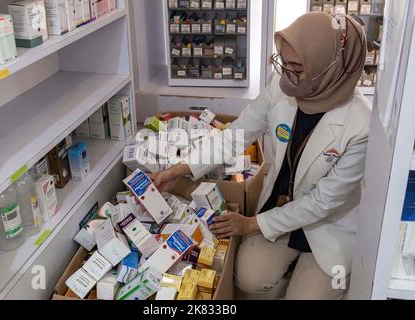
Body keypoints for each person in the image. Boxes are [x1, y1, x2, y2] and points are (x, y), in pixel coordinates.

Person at [151, 12, 371, 300]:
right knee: (249, 279)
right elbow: (236, 135)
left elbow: (322, 203)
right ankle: (286, 272)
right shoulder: (282, 84)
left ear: (328, 68)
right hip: (280, 206)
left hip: (327, 225)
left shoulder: (361, 125)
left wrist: (251, 224)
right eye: (282, 61)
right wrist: (178, 169)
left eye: (297, 67)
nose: (285, 75)